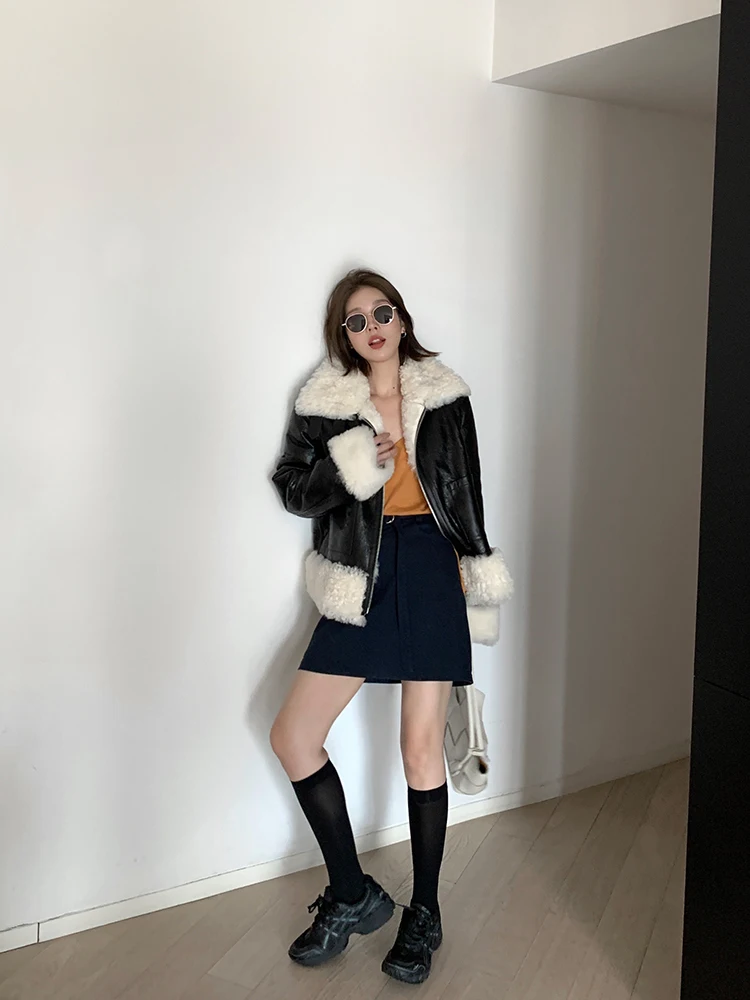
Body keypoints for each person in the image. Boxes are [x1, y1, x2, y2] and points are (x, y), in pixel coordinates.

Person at [270, 268, 512, 985]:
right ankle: (351, 893)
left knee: (419, 749)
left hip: (433, 568)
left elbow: (466, 492)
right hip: (361, 572)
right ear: (343, 336)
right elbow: (291, 486)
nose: (372, 327)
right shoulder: (324, 403)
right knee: (293, 736)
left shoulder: (445, 396)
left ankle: (425, 912)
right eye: (356, 320)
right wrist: (346, 468)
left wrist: (477, 569)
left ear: (401, 319)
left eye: (382, 313)